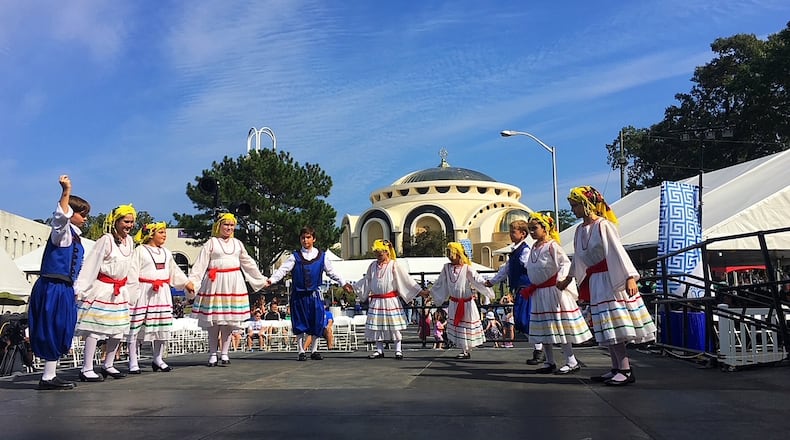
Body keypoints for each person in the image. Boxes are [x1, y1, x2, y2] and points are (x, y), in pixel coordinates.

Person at [557, 187, 657, 386]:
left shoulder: (604, 225)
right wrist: (568, 279)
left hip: (610, 279)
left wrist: (629, 277)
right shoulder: (579, 230)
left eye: (575, 205)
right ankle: (616, 367)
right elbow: (578, 259)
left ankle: (625, 369)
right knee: (606, 326)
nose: (573, 210)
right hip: (596, 281)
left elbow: (618, 250)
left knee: (614, 326)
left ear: (587, 204)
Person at [28, 175, 90, 390]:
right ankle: (47, 377)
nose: (85, 218)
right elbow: (59, 218)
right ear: (72, 214)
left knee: (63, 327)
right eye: (82, 214)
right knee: (52, 327)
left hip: (64, 288)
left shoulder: (77, 239)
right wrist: (66, 191)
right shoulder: (62, 234)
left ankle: (49, 374)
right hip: (52, 286)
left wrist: (77, 290)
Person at [188, 213, 269, 367]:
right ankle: (213, 353)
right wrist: (192, 283)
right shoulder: (211, 243)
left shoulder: (238, 244)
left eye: (232, 225)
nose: (229, 228)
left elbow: (248, 263)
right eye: (226, 225)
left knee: (228, 321)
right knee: (213, 322)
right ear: (219, 226)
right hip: (215, 283)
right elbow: (200, 265)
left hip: (233, 283)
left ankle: (225, 353)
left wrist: (260, 279)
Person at [265, 226, 353, 361]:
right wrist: (271, 280)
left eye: (308, 237)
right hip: (299, 295)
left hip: (314, 295)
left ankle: (314, 350)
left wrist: (343, 283)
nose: (305, 240)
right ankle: (301, 351)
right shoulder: (295, 257)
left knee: (316, 321)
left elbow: (332, 272)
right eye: (303, 238)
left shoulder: (321, 257)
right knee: (299, 322)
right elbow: (282, 270)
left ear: (314, 239)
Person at [523, 212, 593, 374]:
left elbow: (565, 263)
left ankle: (571, 360)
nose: (532, 232)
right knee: (544, 327)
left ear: (545, 228)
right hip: (539, 293)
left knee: (559, 326)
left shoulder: (552, 245)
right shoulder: (534, 247)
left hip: (553, 292)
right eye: (530, 229)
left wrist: (561, 280)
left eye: (535, 228)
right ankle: (549, 361)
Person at [74, 204, 137, 382]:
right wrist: (81, 288)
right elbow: (92, 264)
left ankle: (108, 364)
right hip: (103, 289)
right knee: (95, 328)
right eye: (126, 221)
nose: (129, 225)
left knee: (118, 330)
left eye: (131, 222)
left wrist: (132, 291)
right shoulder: (106, 240)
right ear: (116, 221)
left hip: (120, 290)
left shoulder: (130, 241)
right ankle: (86, 368)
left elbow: (130, 268)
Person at [125, 222, 195, 374]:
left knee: (162, 327)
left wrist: (186, 283)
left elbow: (174, 271)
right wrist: (131, 294)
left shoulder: (166, 253)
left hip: (162, 292)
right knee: (136, 327)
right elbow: (132, 272)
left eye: (164, 232)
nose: (164, 235)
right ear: (151, 234)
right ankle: (133, 361)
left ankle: (158, 359)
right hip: (144, 291)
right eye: (161, 232)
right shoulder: (140, 250)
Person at [353, 239, 427, 360]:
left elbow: (406, 280)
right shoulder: (372, 266)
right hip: (376, 300)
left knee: (394, 326)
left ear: (387, 252)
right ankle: (379, 350)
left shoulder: (394, 265)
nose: (377, 255)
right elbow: (367, 280)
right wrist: (355, 287)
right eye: (376, 253)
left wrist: (419, 291)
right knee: (376, 326)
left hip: (390, 299)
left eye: (380, 253)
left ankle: (398, 350)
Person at [485, 220, 545, 364]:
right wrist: (491, 282)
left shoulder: (524, 250)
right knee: (521, 321)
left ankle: (540, 349)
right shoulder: (514, 251)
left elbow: (531, 266)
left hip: (527, 289)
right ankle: (539, 349)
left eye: (513, 232)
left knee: (525, 320)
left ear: (522, 234)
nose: (511, 235)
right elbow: (505, 270)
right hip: (520, 290)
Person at [427, 242, 494, 359]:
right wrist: (431, 292)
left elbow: (476, 277)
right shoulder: (447, 268)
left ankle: (465, 350)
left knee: (464, 325)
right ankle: (464, 349)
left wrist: (485, 283)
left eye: (451, 253)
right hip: (454, 302)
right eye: (447, 253)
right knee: (458, 326)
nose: (449, 255)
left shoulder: (466, 267)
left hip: (466, 303)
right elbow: (440, 282)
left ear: (458, 254)